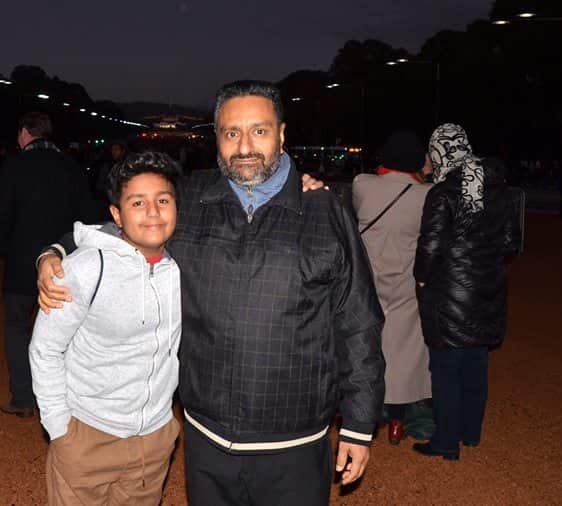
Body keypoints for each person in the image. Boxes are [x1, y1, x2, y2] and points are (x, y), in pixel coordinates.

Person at [38, 81, 384, 504]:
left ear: (282, 134)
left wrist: (359, 423)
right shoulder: (189, 198)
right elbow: (125, 226)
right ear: (216, 138)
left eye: (258, 131)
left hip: (294, 442)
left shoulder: (326, 211)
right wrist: (55, 251)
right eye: (230, 133)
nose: (244, 146)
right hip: (206, 438)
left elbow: (359, 323)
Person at [30, 151, 182, 505]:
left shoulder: (185, 264)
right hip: (87, 435)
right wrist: (60, 429)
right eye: (138, 202)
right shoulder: (86, 269)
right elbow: (45, 348)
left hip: (155, 439)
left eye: (163, 200)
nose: (153, 212)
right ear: (117, 214)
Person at [412, 123, 520, 460]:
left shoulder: (443, 193)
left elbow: (429, 246)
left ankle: (445, 442)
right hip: (487, 289)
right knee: (476, 365)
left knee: (446, 370)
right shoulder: (498, 189)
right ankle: (470, 433)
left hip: (449, 293)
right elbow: (510, 242)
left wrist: (421, 277)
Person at [0, 112, 88, 417]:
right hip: (64, 264)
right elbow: (84, 216)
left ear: (25, 133)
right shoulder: (71, 166)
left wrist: (7, 250)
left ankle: (22, 398)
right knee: (67, 334)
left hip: (23, 263)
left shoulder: (15, 165)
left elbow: (3, 217)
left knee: (17, 328)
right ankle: (65, 400)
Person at [353, 130, 433, 445]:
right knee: (405, 353)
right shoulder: (426, 195)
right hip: (406, 281)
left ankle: (369, 414)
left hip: (369, 280)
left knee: (370, 348)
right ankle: (399, 418)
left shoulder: (363, 185)